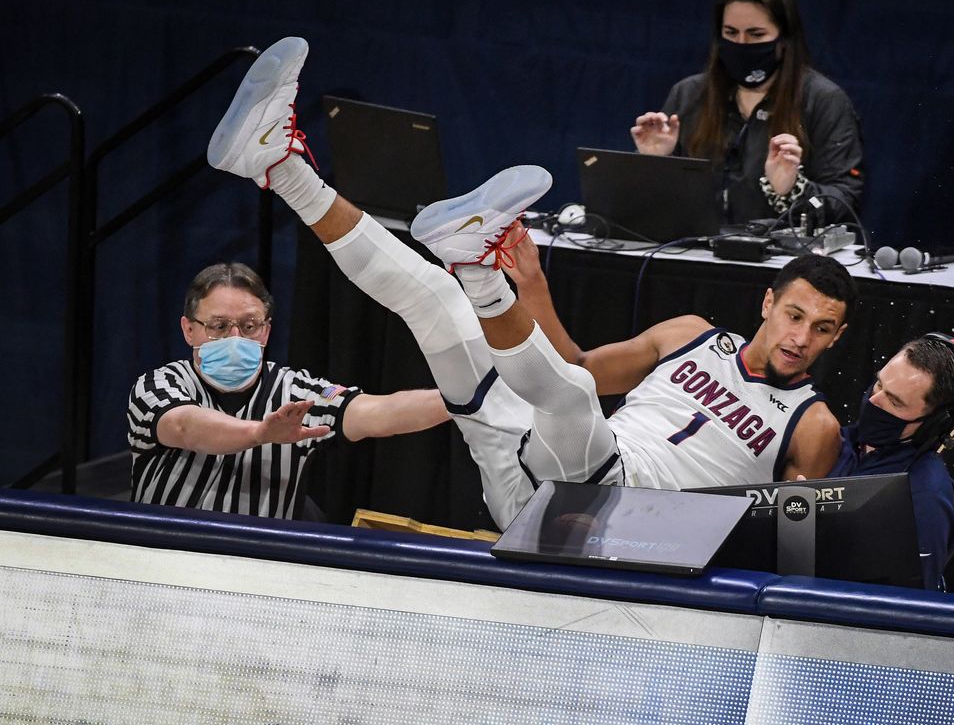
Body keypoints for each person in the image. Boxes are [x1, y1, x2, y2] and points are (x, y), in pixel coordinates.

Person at [204, 37, 858, 529]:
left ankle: (479, 270)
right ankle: (279, 163)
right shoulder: (693, 336)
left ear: (837, 338)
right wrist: (535, 286)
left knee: (567, 397)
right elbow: (575, 364)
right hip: (537, 479)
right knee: (436, 301)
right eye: (795, 315)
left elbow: (787, 542)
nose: (801, 337)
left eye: (821, 328)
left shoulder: (813, 422)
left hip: (621, 518)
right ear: (767, 302)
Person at [126, 260, 450, 519]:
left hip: (261, 570)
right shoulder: (158, 385)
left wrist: (461, 400)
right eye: (219, 326)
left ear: (266, 332)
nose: (236, 337)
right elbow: (185, 427)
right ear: (189, 330)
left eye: (250, 326)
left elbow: (374, 412)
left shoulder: (295, 391)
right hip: (167, 560)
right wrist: (261, 433)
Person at [630, 0, 864, 229]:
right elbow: (652, 208)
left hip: (779, 260)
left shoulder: (824, 100)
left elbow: (845, 200)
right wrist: (654, 164)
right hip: (696, 253)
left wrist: (793, 190)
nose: (741, 44)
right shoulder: (688, 94)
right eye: (730, 33)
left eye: (756, 34)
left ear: (784, 38)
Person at [832, 334, 954, 590]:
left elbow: (909, 608)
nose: (874, 401)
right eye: (879, 384)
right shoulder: (837, 439)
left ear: (932, 422)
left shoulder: (924, 494)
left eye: (894, 401)